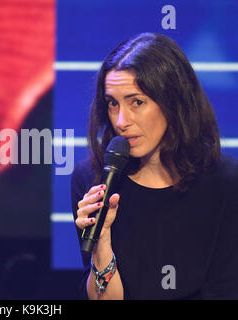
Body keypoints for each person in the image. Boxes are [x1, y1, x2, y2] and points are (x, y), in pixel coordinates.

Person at [71, 32, 238, 300]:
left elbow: (226, 288)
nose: (121, 121)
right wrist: (101, 243)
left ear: (173, 101)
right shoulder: (93, 179)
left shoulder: (224, 180)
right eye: (113, 103)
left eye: (137, 102)